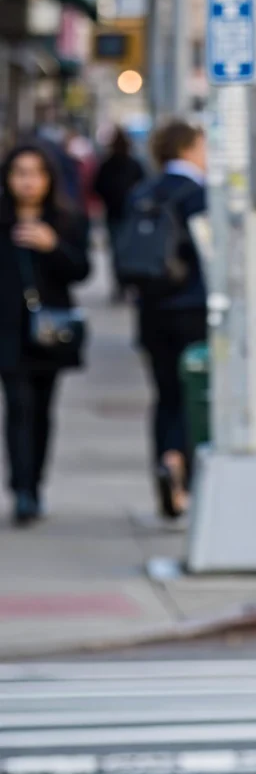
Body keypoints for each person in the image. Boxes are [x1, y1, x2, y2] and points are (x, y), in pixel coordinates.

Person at [0, 141, 89, 524]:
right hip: (6, 330)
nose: (28, 182)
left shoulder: (65, 221)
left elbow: (81, 270)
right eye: (20, 173)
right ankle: (21, 490)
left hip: (50, 332)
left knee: (42, 410)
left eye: (36, 174)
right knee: (18, 407)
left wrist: (52, 246)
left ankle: (35, 482)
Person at [127, 119, 208, 518]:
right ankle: (181, 473)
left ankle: (163, 459)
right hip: (194, 308)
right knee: (193, 394)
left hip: (152, 310)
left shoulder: (144, 192)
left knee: (164, 395)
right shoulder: (199, 194)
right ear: (189, 148)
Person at [94, 127, 144, 298]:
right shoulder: (131, 164)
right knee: (129, 250)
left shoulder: (108, 164)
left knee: (117, 251)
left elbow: (97, 186)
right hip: (126, 215)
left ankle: (122, 283)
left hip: (117, 214)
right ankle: (127, 283)